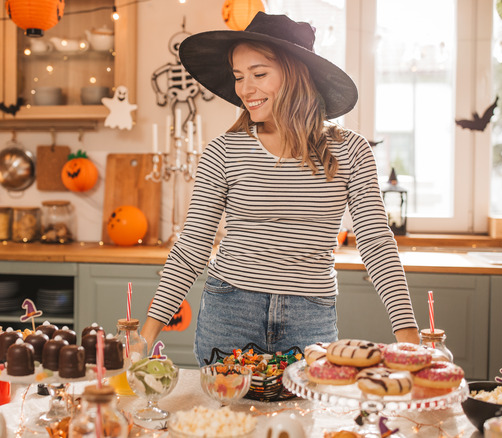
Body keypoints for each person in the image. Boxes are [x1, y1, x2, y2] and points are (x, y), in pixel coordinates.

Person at [141, 12, 420, 365]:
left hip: (310, 317)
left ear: (296, 74)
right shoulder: (224, 151)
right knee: (227, 420)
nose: (244, 89)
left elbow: (376, 242)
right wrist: (145, 336)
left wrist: (409, 334)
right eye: (239, 77)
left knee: (304, 420)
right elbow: (193, 245)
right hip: (230, 310)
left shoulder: (351, 150)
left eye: (259, 74)